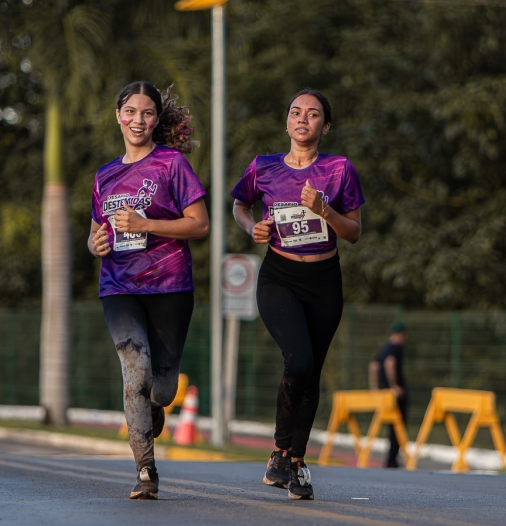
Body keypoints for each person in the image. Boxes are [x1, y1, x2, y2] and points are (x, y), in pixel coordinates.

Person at [232, 88, 364, 500]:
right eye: (295, 112)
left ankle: (296, 461)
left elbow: (354, 232)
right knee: (299, 359)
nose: (303, 118)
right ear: (287, 122)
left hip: (324, 280)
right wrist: (251, 227)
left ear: (326, 126)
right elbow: (239, 206)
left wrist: (325, 211)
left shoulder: (339, 170)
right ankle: (279, 451)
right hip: (280, 277)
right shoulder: (264, 167)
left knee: (312, 371)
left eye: (313, 114)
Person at [88, 81, 208, 500]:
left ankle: (153, 407)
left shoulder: (171, 164)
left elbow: (200, 224)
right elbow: (95, 234)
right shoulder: (105, 175)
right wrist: (95, 244)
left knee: (163, 389)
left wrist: (146, 225)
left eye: (147, 113)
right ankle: (145, 470)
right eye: (130, 111)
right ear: (118, 117)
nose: (138, 120)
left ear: (156, 120)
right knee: (134, 368)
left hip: (170, 286)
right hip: (118, 287)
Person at [369, 321, 408, 468]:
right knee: (398, 426)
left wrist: (374, 387)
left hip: (383, 394)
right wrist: (394, 386)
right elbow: (389, 363)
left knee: (387, 426)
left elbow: (373, 366)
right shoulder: (395, 347)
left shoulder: (384, 347)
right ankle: (392, 459)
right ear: (401, 335)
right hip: (394, 395)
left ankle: (391, 459)